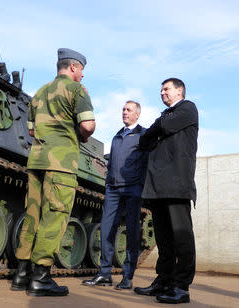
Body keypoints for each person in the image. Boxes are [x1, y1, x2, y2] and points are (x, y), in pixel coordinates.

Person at [11, 48, 95, 297]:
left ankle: (22, 273)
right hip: (61, 163)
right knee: (54, 217)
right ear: (72, 68)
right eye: (81, 70)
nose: (82, 76)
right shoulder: (76, 90)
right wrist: (77, 134)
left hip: (36, 161)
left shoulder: (39, 93)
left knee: (33, 215)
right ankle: (41, 278)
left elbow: (32, 132)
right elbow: (88, 126)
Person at [134, 78, 198, 304]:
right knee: (164, 239)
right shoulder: (165, 115)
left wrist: (158, 127)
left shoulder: (187, 108)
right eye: (161, 89)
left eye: (166, 88)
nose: (162, 92)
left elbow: (164, 126)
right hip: (158, 188)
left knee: (182, 238)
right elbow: (144, 140)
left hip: (177, 185)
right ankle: (164, 280)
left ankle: (181, 287)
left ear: (179, 90)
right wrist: (156, 128)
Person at [82, 101, 148, 290]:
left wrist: (139, 184)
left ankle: (127, 277)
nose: (125, 112)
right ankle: (104, 273)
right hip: (113, 189)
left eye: (129, 110)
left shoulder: (143, 135)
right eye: (123, 109)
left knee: (132, 232)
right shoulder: (117, 135)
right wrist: (109, 181)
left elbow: (147, 162)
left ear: (137, 115)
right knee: (106, 229)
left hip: (132, 188)